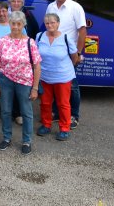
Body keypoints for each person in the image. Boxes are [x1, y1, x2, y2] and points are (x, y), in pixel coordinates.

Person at [0, 11, 41, 154]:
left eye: (19, 24)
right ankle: (6, 138)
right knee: (5, 110)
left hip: (24, 82)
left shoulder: (30, 42)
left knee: (26, 112)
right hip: (5, 80)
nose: (16, 27)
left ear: (23, 25)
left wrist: (35, 88)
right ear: (9, 24)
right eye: (13, 23)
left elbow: (37, 66)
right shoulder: (3, 41)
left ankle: (27, 141)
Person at [46, 0, 86, 128]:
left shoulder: (75, 8)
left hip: (70, 54)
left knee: (72, 86)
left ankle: (74, 115)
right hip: (53, 53)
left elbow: (82, 31)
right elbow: (48, 28)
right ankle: (56, 112)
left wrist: (78, 53)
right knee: (55, 83)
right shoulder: (50, 7)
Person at [36, 12, 79, 141]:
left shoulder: (66, 38)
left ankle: (64, 128)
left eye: (53, 22)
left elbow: (74, 57)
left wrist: (66, 68)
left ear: (58, 23)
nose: (50, 25)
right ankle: (46, 125)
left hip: (63, 77)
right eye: (47, 23)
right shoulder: (39, 36)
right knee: (45, 103)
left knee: (63, 104)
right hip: (44, 76)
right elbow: (35, 55)